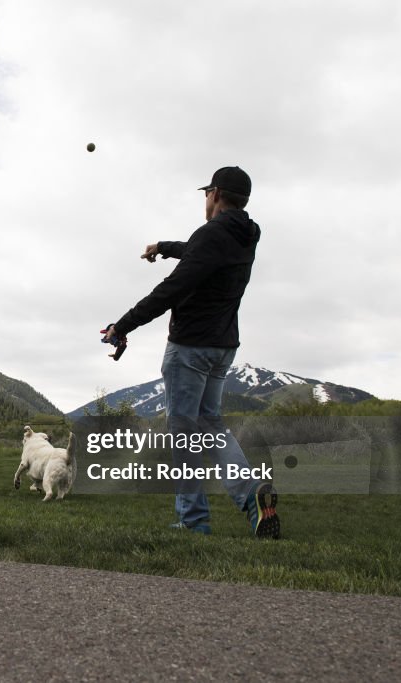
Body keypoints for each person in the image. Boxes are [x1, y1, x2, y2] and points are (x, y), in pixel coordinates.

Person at [104, 166, 280, 538]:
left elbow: (172, 290)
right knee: (210, 424)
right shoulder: (246, 234)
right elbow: (198, 253)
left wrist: (123, 325)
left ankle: (193, 518)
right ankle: (251, 495)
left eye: (206, 194)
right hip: (222, 348)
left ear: (215, 194)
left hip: (191, 348)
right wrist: (164, 247)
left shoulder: (212, 234)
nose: (205, 200)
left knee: (183, 433)